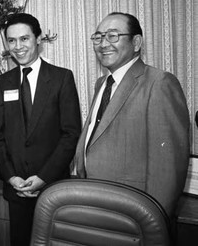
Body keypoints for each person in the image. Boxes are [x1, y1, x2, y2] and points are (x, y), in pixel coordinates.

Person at [74, 12, 190, 218]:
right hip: (94, 203)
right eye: (98, 37)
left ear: (136, 42)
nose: (103, 44)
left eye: (112, 36)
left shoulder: (159, 83)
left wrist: (153, 222)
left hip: (133, 213)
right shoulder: (102, 84)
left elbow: (168, 171)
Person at [0, 13, 82, 246]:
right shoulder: (4, 82)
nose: (17, 47)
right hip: (16, 188)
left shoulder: (62, 78)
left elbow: (70, 134)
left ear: (38, 38)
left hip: (51, 185)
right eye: (11, 41)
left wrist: (42, 177)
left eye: (24, 39)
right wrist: (11, 176)